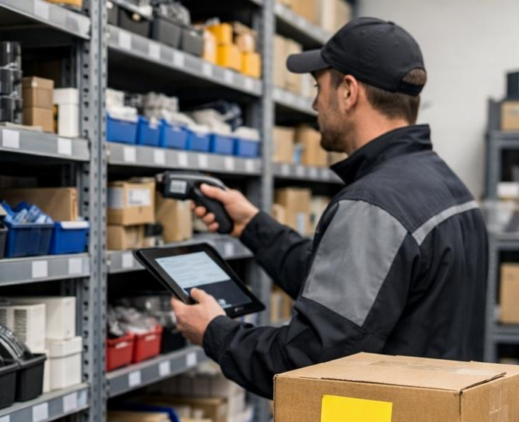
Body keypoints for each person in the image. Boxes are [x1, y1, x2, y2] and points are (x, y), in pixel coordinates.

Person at [171, 17, 488, 399]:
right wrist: (250, 224)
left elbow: (309, 365)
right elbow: (353, 291)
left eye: (318, 86)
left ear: (348, 92)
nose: (313, 102)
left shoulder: (374, 205)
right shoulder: (448, 187)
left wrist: (216, 333)